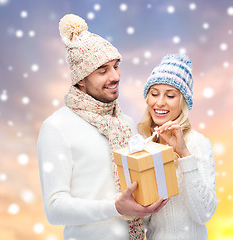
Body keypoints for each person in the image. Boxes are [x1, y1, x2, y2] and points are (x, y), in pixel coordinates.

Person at [37, 14, 167, 240]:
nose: (115, 76)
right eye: (102, 70)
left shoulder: (124, 123)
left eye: (116, 66)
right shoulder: (56, 127)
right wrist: (115, 208)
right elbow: (54, 209)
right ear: (80, 79)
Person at [139, 54, 217, 239]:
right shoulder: (143, 144)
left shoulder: (197, 143)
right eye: (154, 93)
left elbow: (204, 213)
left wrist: (183, 154)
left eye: (170, 95)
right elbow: (143, 220)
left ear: (183, 102)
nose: (159, 102)